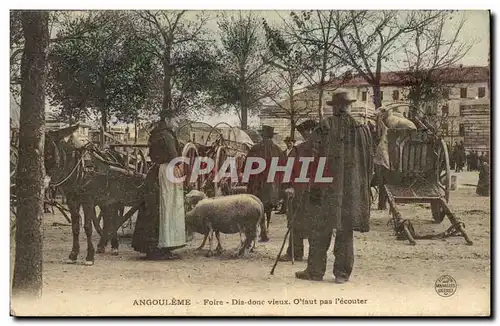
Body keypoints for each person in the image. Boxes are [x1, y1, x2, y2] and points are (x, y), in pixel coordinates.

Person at [293, 92, 373, 283]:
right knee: (346, 231)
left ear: (336, 107)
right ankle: (342, 274)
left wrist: (308, 183)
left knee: (320, 229)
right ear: (349, 106)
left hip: (325, 188)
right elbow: (368, 162)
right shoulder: (362, 129)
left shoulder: (324, 127)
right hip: (351, 190)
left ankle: (315, 271)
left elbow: (311, 157)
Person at [132, 119, 186, 260]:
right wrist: (179, 165)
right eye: (174, 120)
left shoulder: (156, 134)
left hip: (157, 171)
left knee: (157, 208)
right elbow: (173, 153)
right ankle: (163, 246)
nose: (176, 122)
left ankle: (155, 247)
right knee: (168, 207)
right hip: (167, 171)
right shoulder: (167, 135)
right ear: (168, 120)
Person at [279, 120, 319, 262]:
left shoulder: (325, 149)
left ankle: (316, 257)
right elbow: (288, 169)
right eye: (305, 133)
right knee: (296, 221)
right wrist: (289, 186)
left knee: (316, 224)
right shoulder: (299, 149)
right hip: (299, 192)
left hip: (317, 194)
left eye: (307, 132)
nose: (307, 135)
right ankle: (294, 252)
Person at [245, 125, 285, 242]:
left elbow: (247, 167)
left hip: (257, 184)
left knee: (258, 206)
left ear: (262, 135)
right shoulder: (278, 150)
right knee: (268, 207)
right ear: (272, 136)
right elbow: (284, 168)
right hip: (272, 185)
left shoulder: (255, 149)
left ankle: (261, 231)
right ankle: (266, 229)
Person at [277, 136, 297, 214]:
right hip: (285, 174)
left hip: (293, 175)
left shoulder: (296, 153)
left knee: (292, 192)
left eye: (290, 142)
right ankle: (284, 209)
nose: (289, 144)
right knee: (284, 191)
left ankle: (292, 209)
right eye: (287, 142)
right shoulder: (283, 153)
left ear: (293, 143)